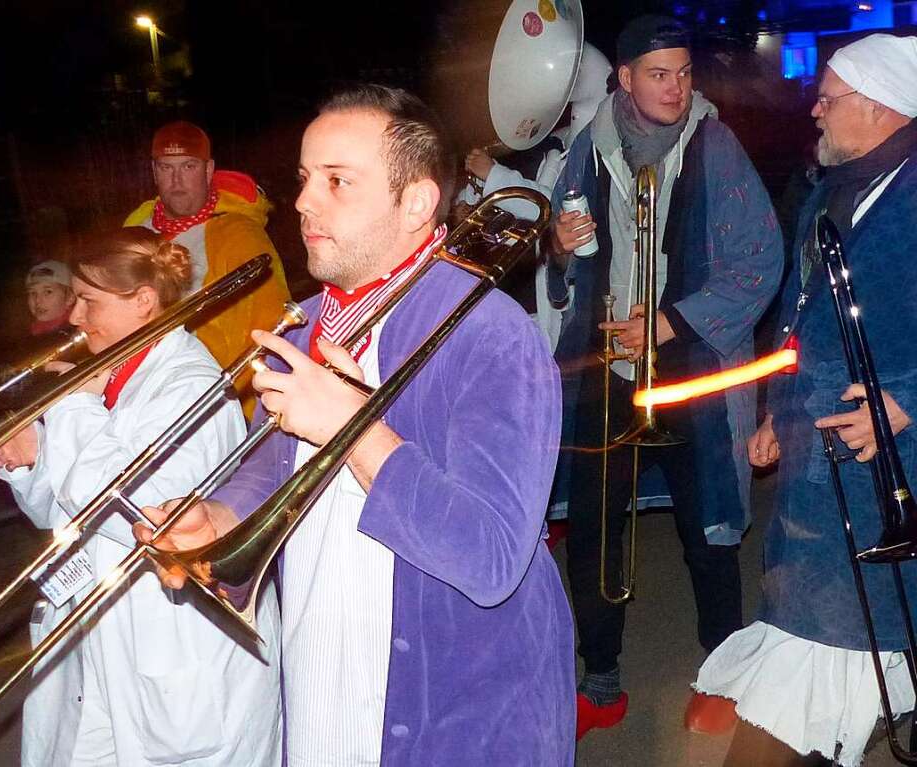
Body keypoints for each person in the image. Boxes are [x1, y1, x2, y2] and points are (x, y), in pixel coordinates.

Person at [138, 84, 574, 765]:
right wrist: (219, 519)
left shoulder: (493, 335)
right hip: (324, 699)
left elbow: (491, 556)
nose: (306, 202)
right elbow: (268, 465)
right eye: (307, 179)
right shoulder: (306, 324)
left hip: (452, 721)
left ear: (417, 202)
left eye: (338, 181)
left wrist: (354, 426)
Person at [545, 14, 783, 738]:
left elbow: (762, 260)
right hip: (608, 363)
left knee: (707, 525)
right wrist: (559, 246)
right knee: (595, 528)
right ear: (624, 79)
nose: (677, 87)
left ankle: (724, 670)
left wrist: (672, 321)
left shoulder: (718, 147)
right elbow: (562, 255)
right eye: (659, 73)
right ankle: (602, 678)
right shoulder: (589, 147)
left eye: (684, 72)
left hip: (692, 363)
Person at [694, 33, 917, 767]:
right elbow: (798, 319)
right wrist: (774, 411)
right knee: (831, 660)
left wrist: (906, 400)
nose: (813, 108)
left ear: (882, 107)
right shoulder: (824, 193)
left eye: (831, 96)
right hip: (817, 481)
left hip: (894, 469)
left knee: (833, 668)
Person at [0, 229, 281, 767]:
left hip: (174, 648)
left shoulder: (191, 385)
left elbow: (122, 509)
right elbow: (55, 513)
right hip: (97, 636)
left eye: (89, 301)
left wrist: (74, 407)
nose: (74, 316)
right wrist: (31, 460)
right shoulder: (110, 376)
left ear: (143, 301)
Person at [124, 120, 291, 410]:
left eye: (188, 167)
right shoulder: (135, 228)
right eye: (166, 168)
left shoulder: (239, 234)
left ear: (208, 170)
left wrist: (240, 404)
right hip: (137, 393)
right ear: (153, 171)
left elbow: (272, 325)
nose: (176, 181)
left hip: (208, 398)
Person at [459, 42, 612, 351]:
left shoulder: (592, 152)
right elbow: (515, 225)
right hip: (504, 303)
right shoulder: (549, 145)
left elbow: (553, 209)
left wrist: (496, 176)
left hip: (547, 311)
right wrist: (469, 216)